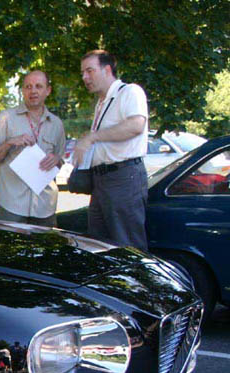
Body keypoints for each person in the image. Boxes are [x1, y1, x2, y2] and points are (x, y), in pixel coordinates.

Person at [72, 50, 149, 251]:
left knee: (128, 248)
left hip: (124, 178)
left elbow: (136, 125)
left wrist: (92, 137)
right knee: (100, 246)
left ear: (107, 70)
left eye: (89, 71)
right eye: (82, 73)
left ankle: (137, 283)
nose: (85, 78)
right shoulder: (100, 103)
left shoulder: (130, 92)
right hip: (101, 182)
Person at [0, 70, 66, 226]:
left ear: (48, 90)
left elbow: (60, 161)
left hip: (45, 208)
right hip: (11, 207)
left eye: (38, 86)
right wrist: (9, 143)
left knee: (46, 251)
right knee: (9, 251)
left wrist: (56, 160)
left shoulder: (57, 124)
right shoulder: (6, 118)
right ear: (22, 91)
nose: (33, 91)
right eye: (28, 87)